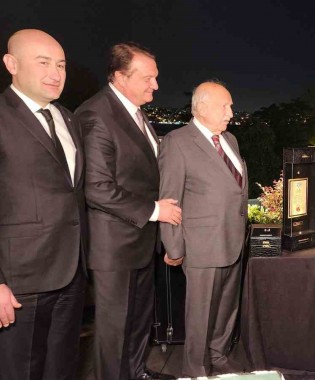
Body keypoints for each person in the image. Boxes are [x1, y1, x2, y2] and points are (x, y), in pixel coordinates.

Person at [75, 42, 181, 380]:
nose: (156, 85)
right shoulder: (95, 115)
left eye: (156, 77)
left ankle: (135, 373)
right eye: (148, 78)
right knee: (114, 332)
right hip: (113, 249)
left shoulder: (135, 112)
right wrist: (154, 210)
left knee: (137, 322)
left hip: (138, 243)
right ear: (121, 77)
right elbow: (97, 188)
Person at [0, 29, 87, 380]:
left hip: (72, 273)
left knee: (62, 368)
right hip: (19, 280)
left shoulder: (68, 118)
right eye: (44, 63)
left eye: (62, 64)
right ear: (12, 64)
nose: (56, 73)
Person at [159, 81, 247, 377]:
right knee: (200, 316)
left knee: (226, 310)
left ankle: (219, 357)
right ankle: (195, 370)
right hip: (201, 246)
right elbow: (169, 197)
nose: (231, 112)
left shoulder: (230, 140)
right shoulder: (177, 141)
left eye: (231, 106)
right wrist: (174, 247)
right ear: (202, 106)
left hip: (233, 242)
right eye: (225, 106)